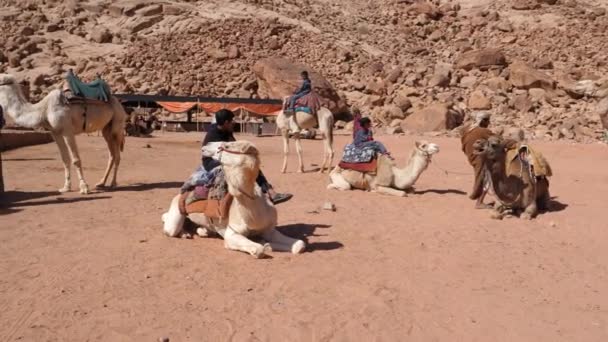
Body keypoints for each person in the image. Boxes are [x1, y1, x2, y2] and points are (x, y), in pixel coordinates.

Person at [202, 109, 293, 205]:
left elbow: (234, 147)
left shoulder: (226, 131)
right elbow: (221, 154)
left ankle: (271, 192)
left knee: (251, 163)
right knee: (243, 163)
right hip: (212, 162)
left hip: (226, 156)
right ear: (226, 122)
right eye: (232, 121)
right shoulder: (213, 136)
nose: (234, 123)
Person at [460, 111, 496, 209]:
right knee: (485, 179)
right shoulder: (482, 131)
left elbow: (463, 145)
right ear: (483, 121)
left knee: (484, 178)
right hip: (481, 158)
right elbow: (498, 139)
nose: (489, 123)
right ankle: (479, 202)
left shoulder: (468, 130)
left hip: (472, 158)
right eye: (487, 120)